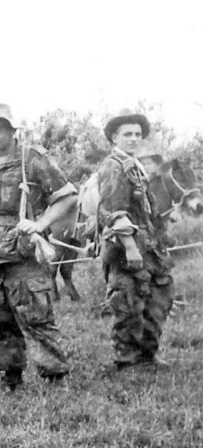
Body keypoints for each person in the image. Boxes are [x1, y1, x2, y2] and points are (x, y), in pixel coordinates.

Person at [0, 102, 77, 390]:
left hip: (25, 247)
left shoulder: (31, 158)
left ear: (11, 129)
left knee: (35, 312)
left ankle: (55, 377)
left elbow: (68, 196)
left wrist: (41, 223)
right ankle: (11, 375)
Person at [98, 110, 174, 370]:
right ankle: (127, 361)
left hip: (150, 247)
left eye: (137, 134)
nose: (133, 139)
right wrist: (130, 247)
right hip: (126, 248)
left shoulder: (136, 166)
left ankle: (147, 356)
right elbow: (114, 211)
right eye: (127, 134)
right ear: (114, 138)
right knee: (128, 303)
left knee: (157, 301)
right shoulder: (113, 166)